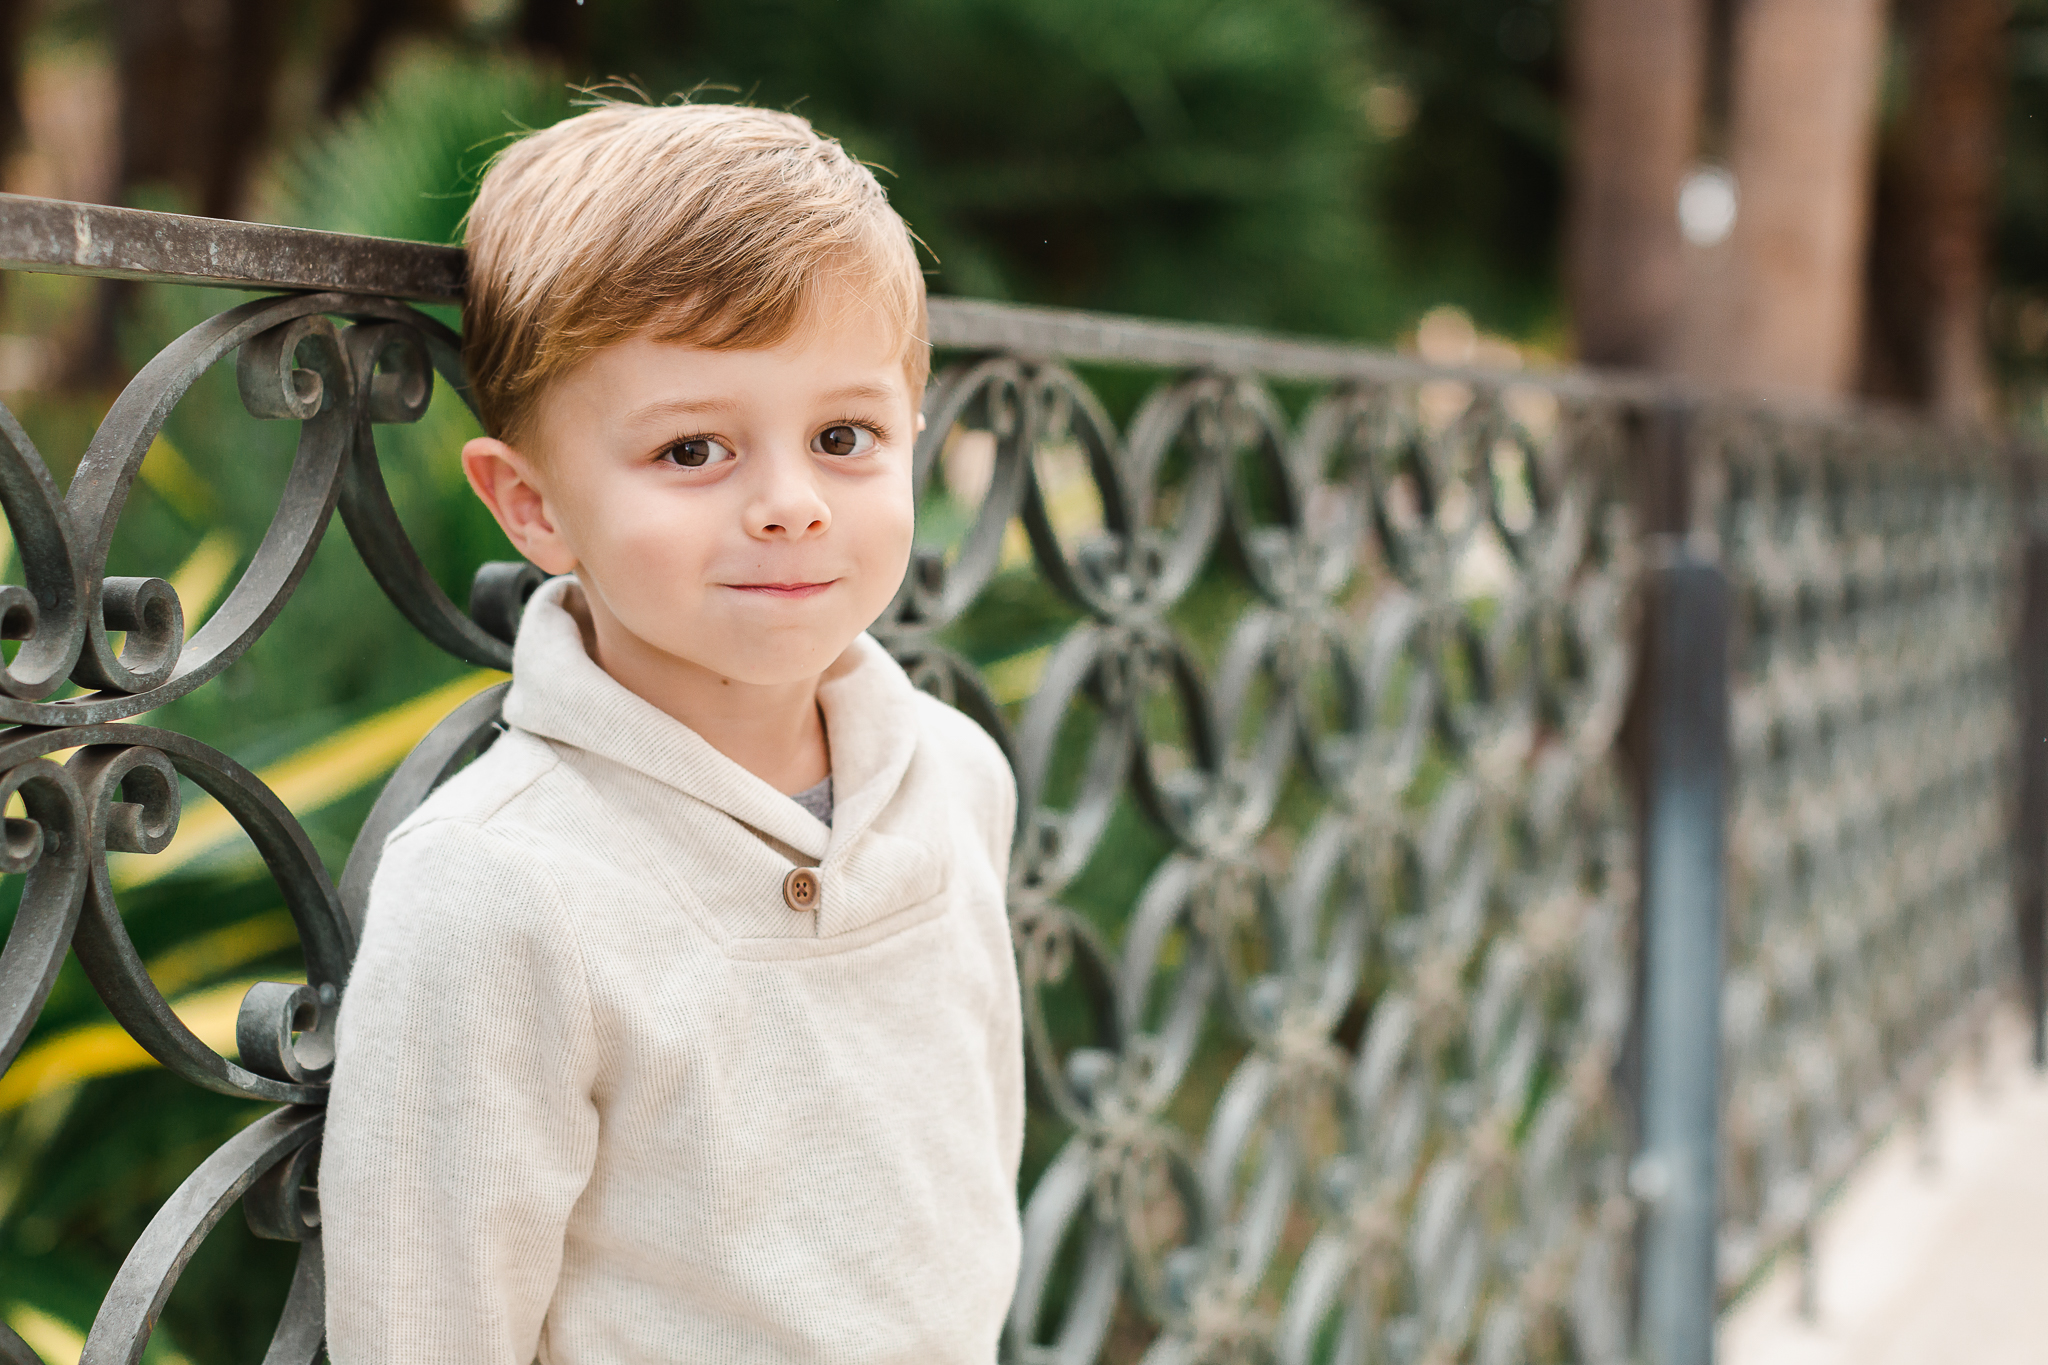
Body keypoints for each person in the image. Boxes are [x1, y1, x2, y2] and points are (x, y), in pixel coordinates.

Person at [321, 99, 1024, 1363]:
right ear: (532, 506)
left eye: (843, 436)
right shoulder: (497, 887)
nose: (791, 504)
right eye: (693, 448)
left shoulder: (956, 776)